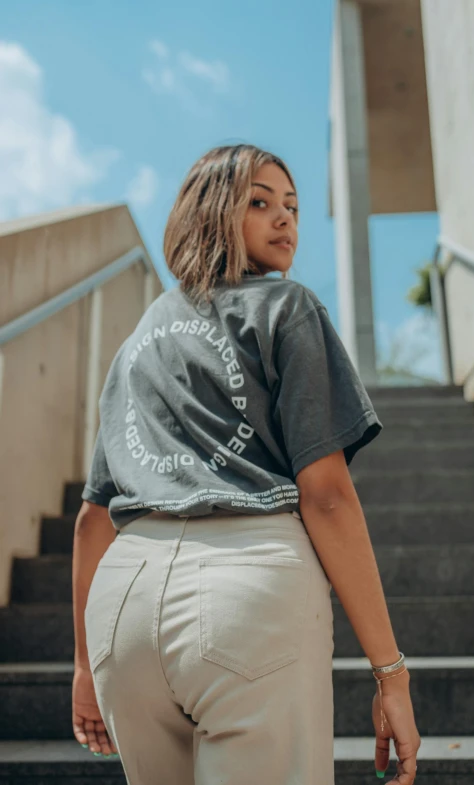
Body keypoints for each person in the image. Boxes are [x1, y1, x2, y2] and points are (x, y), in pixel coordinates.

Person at [72, 143, 421, 784]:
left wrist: (84, 666)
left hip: (122, 607)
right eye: (259, 202)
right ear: (207, 213)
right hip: (247, 589)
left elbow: (94, 517)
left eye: (291, 206)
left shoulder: (134, 345)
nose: (285, 218)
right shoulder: (286, 307)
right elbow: (327, 495)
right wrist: (390, 673)